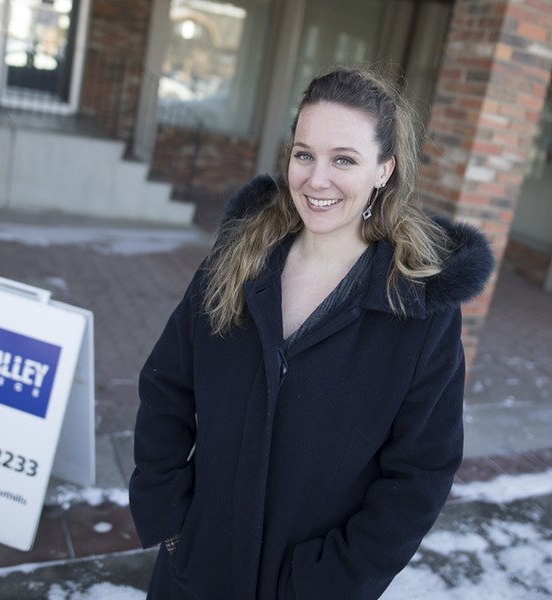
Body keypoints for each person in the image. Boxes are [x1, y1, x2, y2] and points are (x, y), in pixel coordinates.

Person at [129, 67, 495, 599]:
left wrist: (332, 581)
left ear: (384, 170)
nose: (315, 179)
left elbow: (421, 472)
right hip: (195, 572)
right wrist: (174, 525)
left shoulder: (418, 306)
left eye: (343, 159)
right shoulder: (237, 261)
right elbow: (166, 387)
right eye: (304, 154)